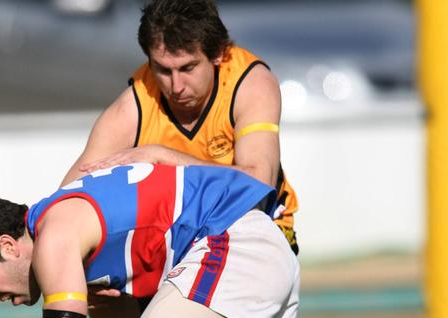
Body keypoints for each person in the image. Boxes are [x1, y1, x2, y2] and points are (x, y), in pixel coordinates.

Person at [0, 163, 299, 318]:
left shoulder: (54, 239)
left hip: (232, 242)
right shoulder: (78, 256)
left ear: (8, 246)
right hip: (257, 249)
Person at [62, 0, 299, 254]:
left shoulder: (251, 84)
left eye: (188, 68)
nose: (176, 86)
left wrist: (163, 158)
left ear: (218, 53)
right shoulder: (133, 105)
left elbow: (259, 184)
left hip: (259, 228)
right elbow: (65, 200)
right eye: (163, 70)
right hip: (182, 239)